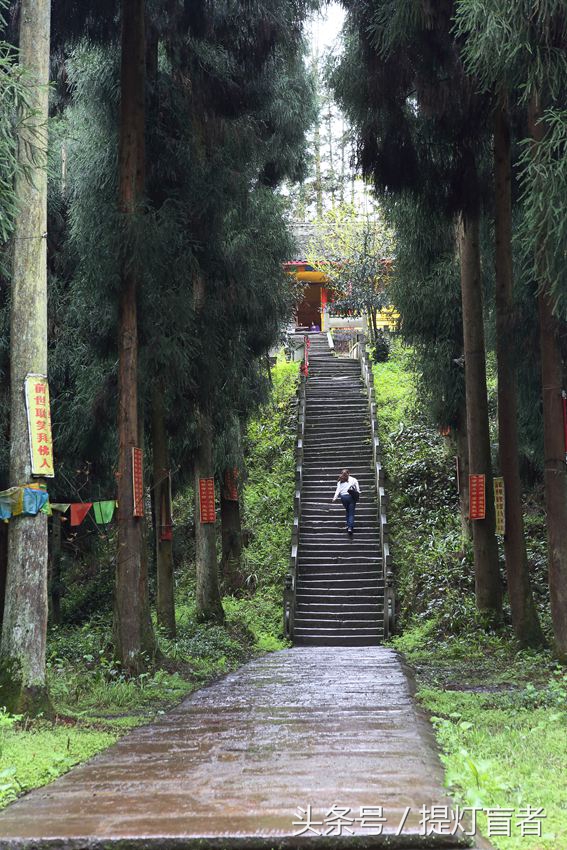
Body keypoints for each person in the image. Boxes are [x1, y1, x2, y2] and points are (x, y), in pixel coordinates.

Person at [332, 468, 361, 535]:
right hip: (351, 497)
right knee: (351, 513)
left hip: (343, 498)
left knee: (348, 511)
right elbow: (357, 489)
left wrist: (334, 498)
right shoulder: (354, 479)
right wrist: (358, 496)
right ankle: (350, 527)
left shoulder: (340, 481)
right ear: (349, 473)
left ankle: (348, 525)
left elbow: (337, 491)